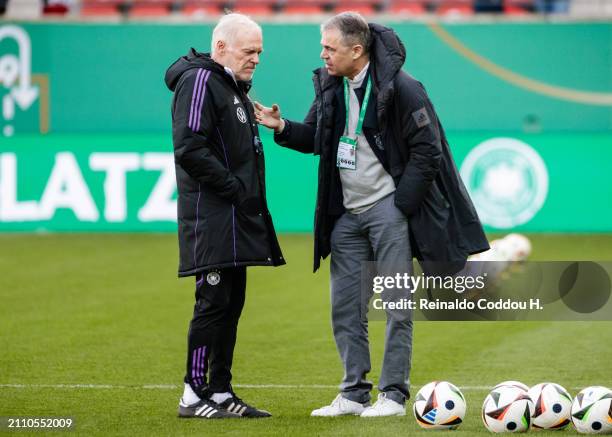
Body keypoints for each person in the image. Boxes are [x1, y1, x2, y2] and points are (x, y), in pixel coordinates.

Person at [255, 12, 489, 417]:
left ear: (356, 50)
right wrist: (281, 127)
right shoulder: (331, 85)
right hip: (346, 215)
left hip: (388, 211)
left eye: (330, 48)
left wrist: (399, 207)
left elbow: (428, 151)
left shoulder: (403, 88)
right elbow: (317, 139)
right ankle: (353, 393)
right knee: (345, 307)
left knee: (397, 304)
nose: (323, 55)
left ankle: (394, 396)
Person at [165, 13, 285, 419]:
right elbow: (189, 147)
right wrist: (235, 189)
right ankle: (192, 393)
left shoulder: (229, 86)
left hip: (234, 220)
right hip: (212, 217)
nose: (256, 59)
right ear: (220, 48)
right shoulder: (199, 81)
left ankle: (219, 390)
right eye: (249, 51)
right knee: (212, 302)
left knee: (231, 303)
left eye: (259, 52)